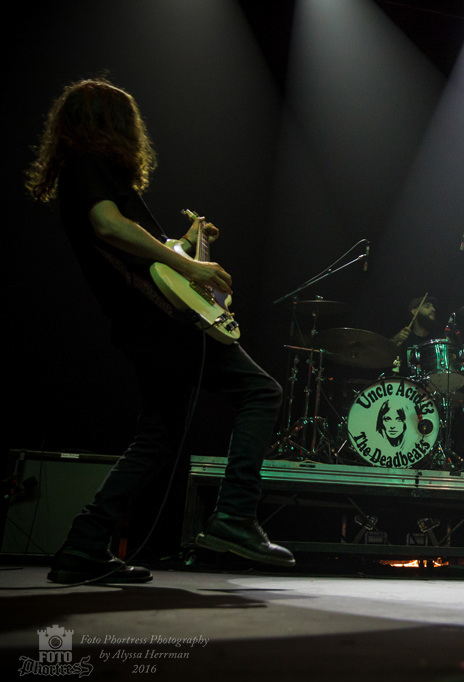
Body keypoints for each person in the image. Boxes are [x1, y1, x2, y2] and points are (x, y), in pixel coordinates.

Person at [26, 78, 294, 584]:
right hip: (158, 321)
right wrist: (193, 270)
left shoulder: (91, 172)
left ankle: (84, 545)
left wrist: (187, 244)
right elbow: (108, 226)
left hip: (142, 324)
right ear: (111, 124)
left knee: (157, 438)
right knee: (262, 391)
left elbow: (146, 254)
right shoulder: (89, 166)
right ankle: (235, 515)